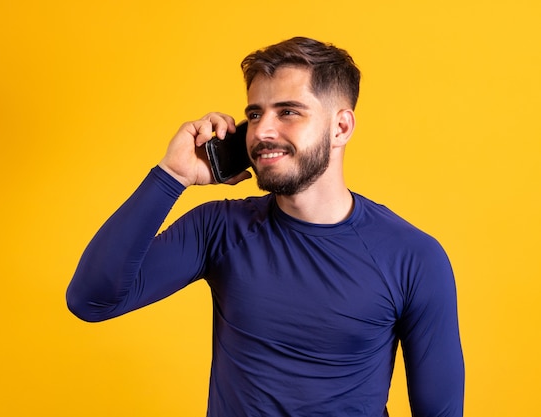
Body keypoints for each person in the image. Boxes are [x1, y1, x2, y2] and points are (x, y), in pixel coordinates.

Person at [66, 36, 465, 416]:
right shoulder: (218, 228)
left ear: (340, 128)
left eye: (288, 112)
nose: (262, 131)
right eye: (255, 113)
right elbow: (92, 300)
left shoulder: (414, 257)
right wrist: (172, 175)